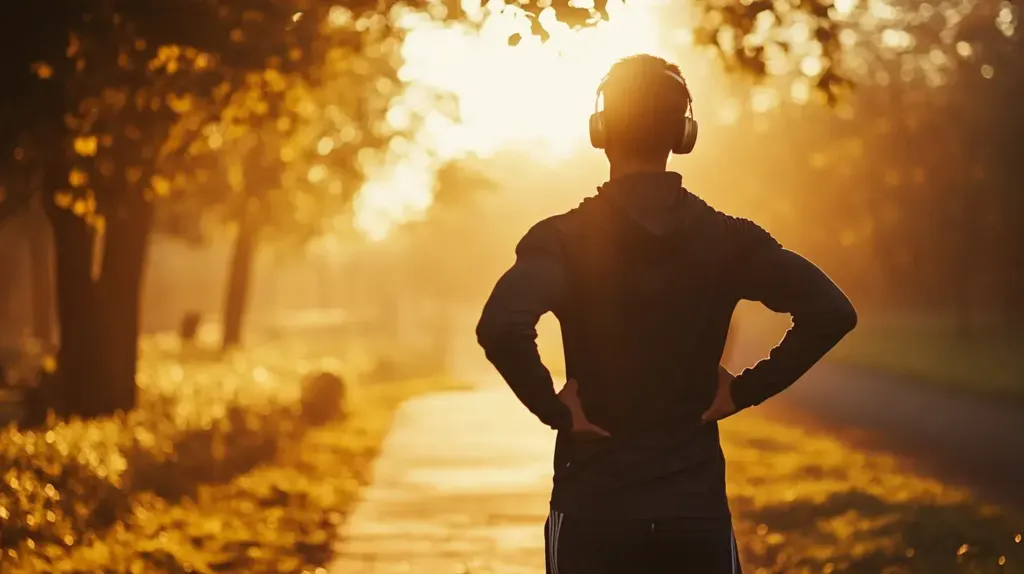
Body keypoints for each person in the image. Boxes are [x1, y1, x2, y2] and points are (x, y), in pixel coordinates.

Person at [475, 54, 857, 573]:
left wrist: (556, 409)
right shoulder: (729, 240)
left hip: (594, 511)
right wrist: (743, 390)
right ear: (683, 134)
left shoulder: (563, 240)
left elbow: (502, 325)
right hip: (692, 514)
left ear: (601, 130)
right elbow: (831, 311)